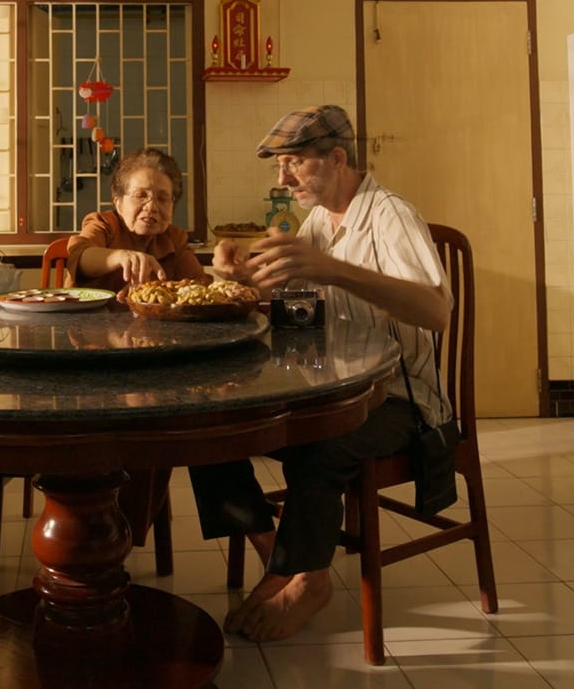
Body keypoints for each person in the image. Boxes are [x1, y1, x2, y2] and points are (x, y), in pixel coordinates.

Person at [194, 104, 453, 642]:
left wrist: (333, 269)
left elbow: (436, 311)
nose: (284, 178)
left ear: (337, 158)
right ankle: (280, 562)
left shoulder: (389, 214)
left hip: (405, 401)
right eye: (278, 166)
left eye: (294, 163)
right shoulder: (316, 221)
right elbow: (286, 300)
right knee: (207, 431)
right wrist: (240, 277)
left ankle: (308, 579)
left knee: (322, 447)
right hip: (336, 389)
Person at [64, 147, 206, 290]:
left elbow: (200, 285)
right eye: (140, 195)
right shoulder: (104, 224)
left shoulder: (174, 238)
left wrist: (153, 291)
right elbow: (80, 257)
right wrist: (121, 257)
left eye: (162, 198)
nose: (151, 207)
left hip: (150, 313)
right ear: (118, 202)